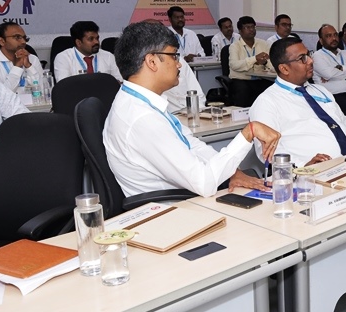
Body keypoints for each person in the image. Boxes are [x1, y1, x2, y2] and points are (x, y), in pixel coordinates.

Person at [104, 21, 279, 198]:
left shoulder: (138, 102)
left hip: (184, 197)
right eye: (174, 56)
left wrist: (232, 172)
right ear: (152, 61)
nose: (179, 64)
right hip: (172, 207)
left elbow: (191, 144)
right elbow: (203, 183)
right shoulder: (142, 119)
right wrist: (248, 132)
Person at [249, 37, 346, 167]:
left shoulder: (320, 90)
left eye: (309, 54)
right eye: (302, 58)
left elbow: (343, 122)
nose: (311, 61)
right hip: (313, 174)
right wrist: (303, 166)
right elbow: (267, 151)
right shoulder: (267, 102)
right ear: (284, 68)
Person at [53, 20, 122, 82]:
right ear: (78, 43)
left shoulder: (108, 56)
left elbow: (120, 82)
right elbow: (64, 87)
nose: (96, 42)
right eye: (91, 39)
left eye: (97, 38)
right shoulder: (63, 58)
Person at [228, 15, 274, 107]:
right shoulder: (234, 46)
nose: (251, 30)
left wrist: (265, 62)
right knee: (243, 90)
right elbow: (234, 65)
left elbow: (272, 64)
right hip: (241, 80)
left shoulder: (264, 44)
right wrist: (254, 59)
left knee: (273, 88)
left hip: (260, 79)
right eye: (247, 27)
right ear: (240, 31)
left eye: (253, 27)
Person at [0, 22, 43, 93]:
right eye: (17, 37)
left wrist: (29, 66)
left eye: (24, 38)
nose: (23, 42)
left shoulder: (32, 59)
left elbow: (43, 89)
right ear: (2, 41)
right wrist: (17, 67)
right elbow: (1, 94)